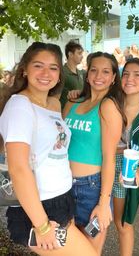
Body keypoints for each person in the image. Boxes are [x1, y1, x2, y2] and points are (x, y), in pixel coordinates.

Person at [0, 42, 96, 256]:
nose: (46, 73)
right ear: (25, 69)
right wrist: (42, 225)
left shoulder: (53, 104)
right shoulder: (19, 106)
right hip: (39, 208)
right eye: (38, 66)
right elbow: (18, 168)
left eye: (53, 68)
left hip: (62, 198)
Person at [63, 52, 124, 255]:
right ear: (87, 74)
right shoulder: (72, 103)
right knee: (65, 248)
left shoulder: (108, 106)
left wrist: (104, 202)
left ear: (114, 77)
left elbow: (109, 158)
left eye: (106, 71)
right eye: (94, 70)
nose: (99, 76)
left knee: (89, 250)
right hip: (62, 185)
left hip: (91, 188)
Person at [112, 58, 139, 256]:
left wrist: (138, 174)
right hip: (100, 167)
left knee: (122, 223)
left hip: (125, 171)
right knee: (95, 218)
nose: (130, 78)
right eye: (126, 73)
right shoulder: (110, 103)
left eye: (137, 75)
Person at [60, 40, 85, 109]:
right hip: (65, 112)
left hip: (79, 111)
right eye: (79, 53)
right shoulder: (60, 72)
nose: (82, 56)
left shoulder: (82, 73)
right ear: (70, 54)